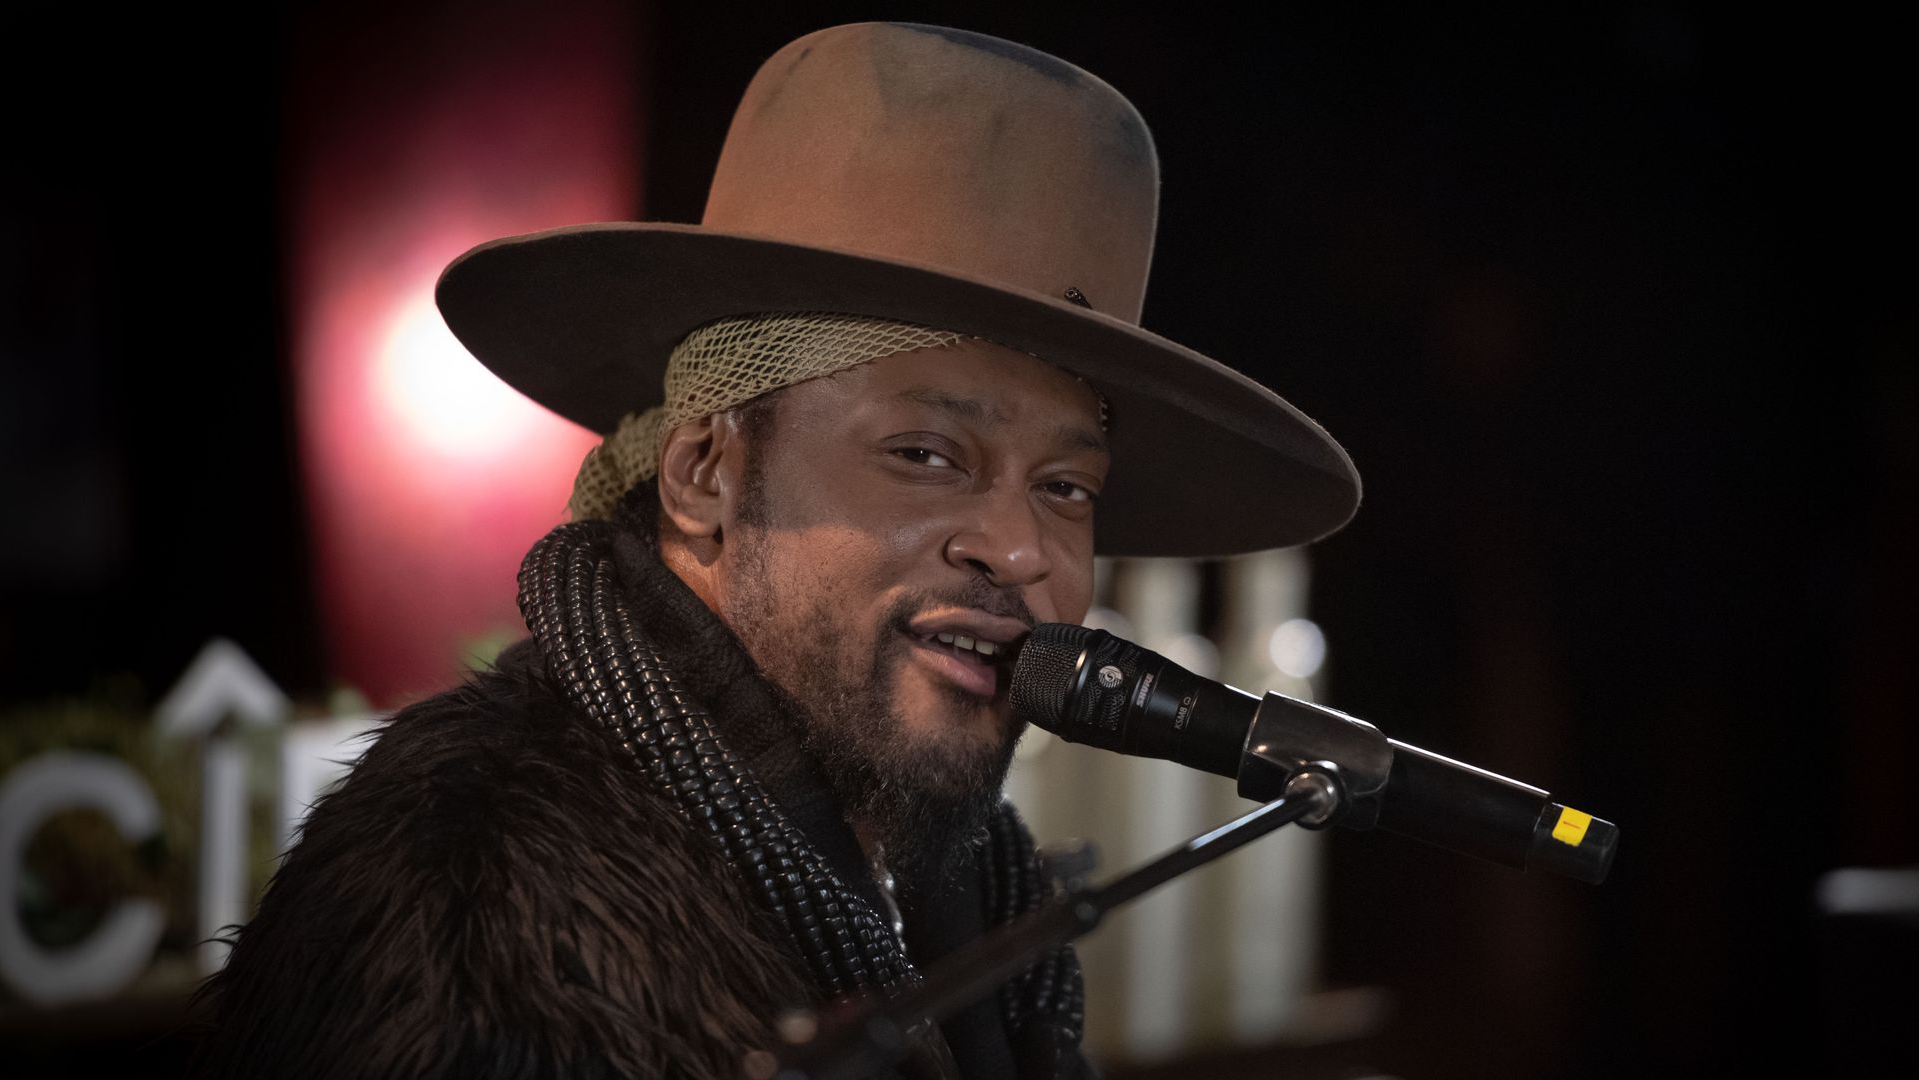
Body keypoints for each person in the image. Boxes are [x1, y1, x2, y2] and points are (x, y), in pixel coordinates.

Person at [188, 21, 1360, 1080]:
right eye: (927, 454)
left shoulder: (968, 888)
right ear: (706, 473)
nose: (1019, 547)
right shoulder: (462, 903)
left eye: (1065, 486)